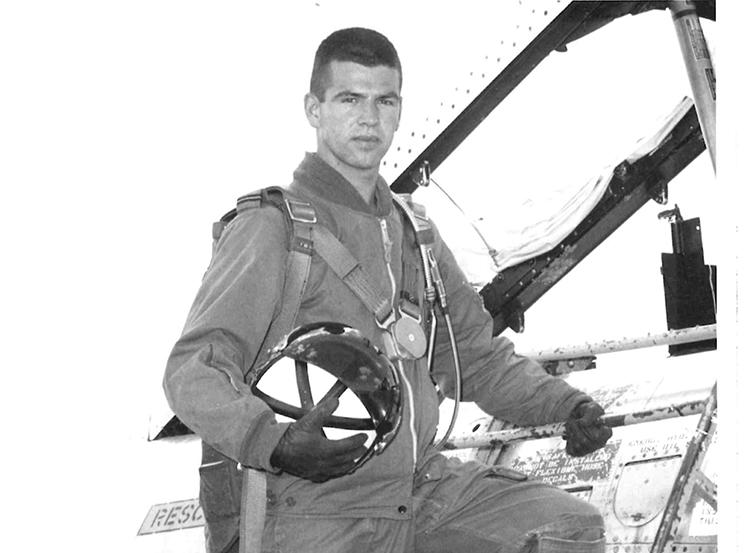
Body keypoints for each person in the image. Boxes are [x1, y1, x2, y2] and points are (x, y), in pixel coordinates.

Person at [164, 27, 612, 553]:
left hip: (419, 490)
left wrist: (566, 405)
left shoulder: (414, 234)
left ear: (399, 110)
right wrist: (275, 443)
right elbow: (194, 368)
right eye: (349, 99)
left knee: (567, 529)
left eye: (385, 101)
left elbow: (475, 358)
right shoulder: (273, 228)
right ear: (314, 109)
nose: (369, 118)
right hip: (315, 505)